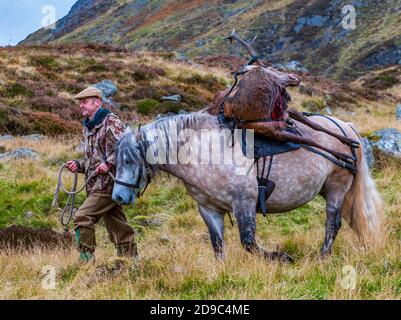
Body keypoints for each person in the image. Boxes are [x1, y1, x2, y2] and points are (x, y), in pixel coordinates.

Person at [65, 86, 137, 262]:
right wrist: (79, 165)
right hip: (98, 184)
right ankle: (130, 261)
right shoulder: (89, 126)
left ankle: (86, 260)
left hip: (109, 184)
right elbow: (95, 159)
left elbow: (127, 149)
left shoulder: (110, 122)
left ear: (97, 102)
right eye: (80, 103)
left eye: (84, 102)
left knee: (82, 217)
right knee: (118, 225)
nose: (81, 105)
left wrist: (108, 163)